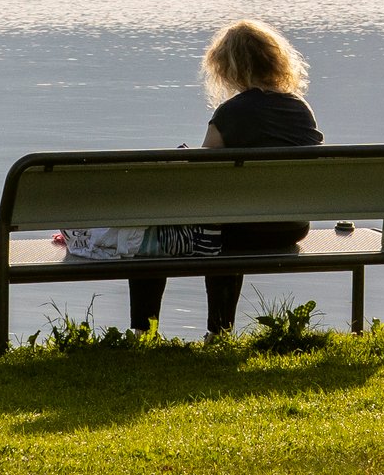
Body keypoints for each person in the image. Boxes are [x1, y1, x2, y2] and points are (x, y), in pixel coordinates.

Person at [122, 19, 322, 339]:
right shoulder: (302, 110)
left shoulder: (231, 113)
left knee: (151, 234)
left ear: (230, 68)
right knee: (230, 220)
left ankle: (143, 331)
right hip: (291, 227)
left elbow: (203, 177)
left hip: (240, 232)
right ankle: (220, 331)